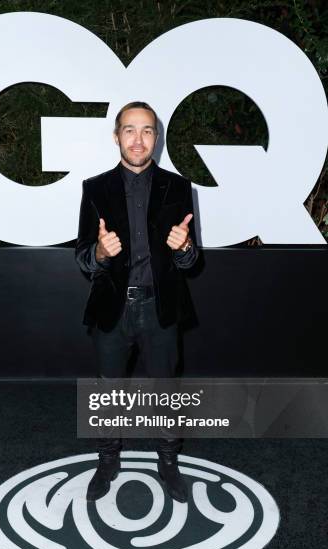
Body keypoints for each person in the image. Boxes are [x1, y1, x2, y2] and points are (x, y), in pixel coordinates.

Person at [75, 101, 199, 503]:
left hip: (160, 308)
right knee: (109, 392)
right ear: (116, 136)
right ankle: (107, 460)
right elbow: (82, 258)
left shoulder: (178, 188)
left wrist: (184, 248)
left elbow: (192, 261)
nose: (138, 139)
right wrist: (100, 253)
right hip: (114, 308)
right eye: (130, 130)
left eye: (147, 130)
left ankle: (168, 462)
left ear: (156, 137)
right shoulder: (94, 189)